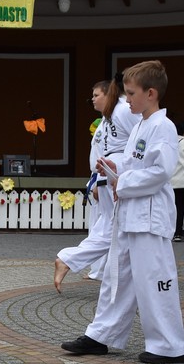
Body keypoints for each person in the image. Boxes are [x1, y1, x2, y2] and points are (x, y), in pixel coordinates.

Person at [60, 60, 184, 364]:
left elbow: (161, 171)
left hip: (149, 217)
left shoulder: (163, 127)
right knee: (117, 279)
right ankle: (101, 335)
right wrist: (118, 169)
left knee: (155, 280)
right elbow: (137, 163)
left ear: (152, 93)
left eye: (131, 93)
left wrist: (125, 180)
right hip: (131, 214)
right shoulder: (143, 125)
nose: (126, 99)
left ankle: (170, 346)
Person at [53, 75, 140, 292]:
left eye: (95, 95)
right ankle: (73, 260)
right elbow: (139, 141)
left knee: (108, 227)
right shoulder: (118, 112)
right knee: (115, 228)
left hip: (111, 172)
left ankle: (77, 262)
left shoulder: (113, 114)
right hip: (114, 172)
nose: (93, 99)